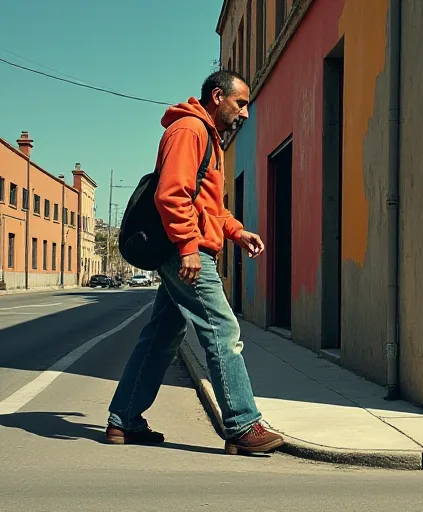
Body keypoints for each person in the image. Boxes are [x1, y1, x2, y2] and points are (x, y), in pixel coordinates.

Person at [106, 70, 283, 455]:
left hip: (184, 247)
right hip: (184, 252)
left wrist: (236, 231)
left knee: (161, 335)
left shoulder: (208, 138)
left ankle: (124, 419)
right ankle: (242, 424)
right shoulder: (190, 130)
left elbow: (209, 207)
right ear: (217, 97)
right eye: (241, 103)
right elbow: (172, 194)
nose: (246, 113)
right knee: (222, 328)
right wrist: (188, 246)